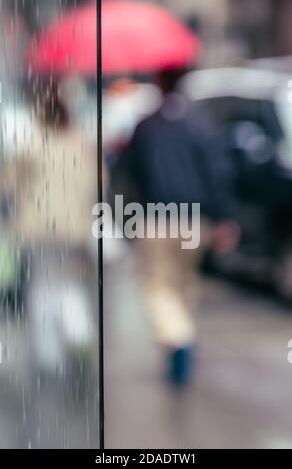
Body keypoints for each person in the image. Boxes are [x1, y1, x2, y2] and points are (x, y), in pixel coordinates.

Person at [112, 67, 239, 386]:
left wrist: (123, 218)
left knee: (158, 286)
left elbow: (124, 176)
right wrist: (223, 218)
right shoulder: (200, 124)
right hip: (195, 220)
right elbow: (218, 173)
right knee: (183, 284)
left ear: (158, 83)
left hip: (158, 217)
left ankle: (179, 339)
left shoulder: (146, 126)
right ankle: (178, 348)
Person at [0, 76, 98, 376]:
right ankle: (79, 333)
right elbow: (100, 183)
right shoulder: (82, 147)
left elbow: (7, 185)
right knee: (67, 283)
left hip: (37, 228)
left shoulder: (33, 145)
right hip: (73, 228)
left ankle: (49, 356)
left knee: (42, 286)